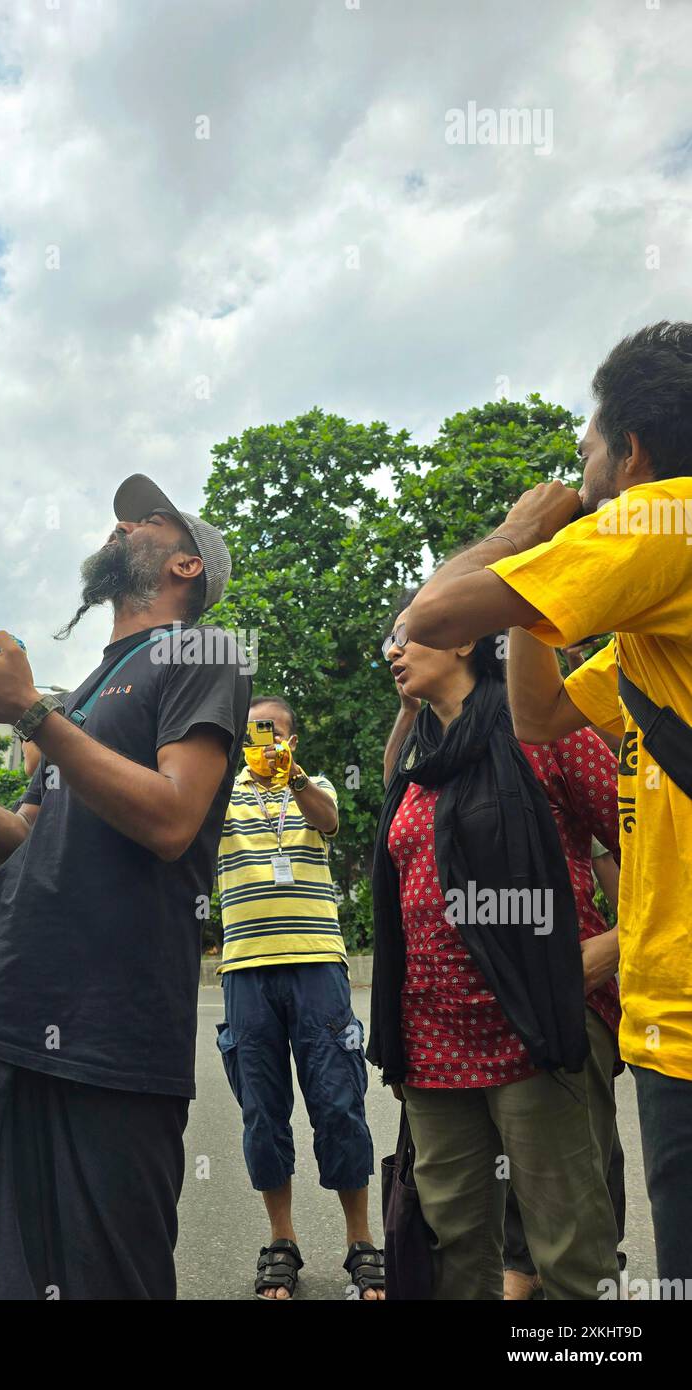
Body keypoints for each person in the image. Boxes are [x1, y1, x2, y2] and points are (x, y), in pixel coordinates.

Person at [0, 473, 252, 1301]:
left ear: (186, 566)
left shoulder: (202, 654)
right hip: (0, 1010)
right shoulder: (81, 691)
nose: (120, 528)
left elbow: (172, 819)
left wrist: (30, 715)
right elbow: (22, 846)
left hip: (107, 1034)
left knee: (100, 1276)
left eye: (144, 521)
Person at [406, 322, 692, 1286]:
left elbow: (431, 615)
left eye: (587, 454)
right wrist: (542, 597)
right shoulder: (656, 635)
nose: (584, 476)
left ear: (634, 455)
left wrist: (522, 536)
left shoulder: (667, 518)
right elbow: (539, 713)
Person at [370, 593, 622, 1300]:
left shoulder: (540, 727)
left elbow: (664, 849)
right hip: (432, 1043)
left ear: (459, 639)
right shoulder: (420, 762)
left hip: (536, 1027)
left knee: (567, 1247)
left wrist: (613, 947)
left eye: (405, 634)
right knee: (450, 1247)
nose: (390, 651)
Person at [215, 696, 381, 1300]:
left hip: (317, 965)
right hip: (246, 969)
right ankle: (281, 1241)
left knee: (339, 1102)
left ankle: (360, 1243)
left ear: (293, 736)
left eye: (277, 732)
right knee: (262, 1110)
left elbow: (330, 820)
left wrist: (295, 773)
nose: (267, 742)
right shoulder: (223, 792)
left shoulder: (312, 787)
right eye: (257, 734)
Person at [503, 834, 626, 1299]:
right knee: (514, 1134)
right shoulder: (455, 773)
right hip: (500, 985)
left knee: (593, 1140)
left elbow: (628, 900)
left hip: (576, 985)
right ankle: (520, 1262)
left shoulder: (568, 771)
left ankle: (604, 1267)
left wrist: (610, 947)